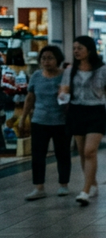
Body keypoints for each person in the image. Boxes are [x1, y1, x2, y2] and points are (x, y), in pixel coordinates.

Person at [60, 36, 106, 206]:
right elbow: (64, 89)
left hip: (96, 111)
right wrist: (62, 94)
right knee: (82, 152)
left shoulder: (103, 69)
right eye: (74, 48)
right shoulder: (70, 70)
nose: (76, 51)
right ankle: (92, 182)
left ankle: (85, 190)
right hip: (76, 111)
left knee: (89, 151)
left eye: (80, 48)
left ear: (89, 49)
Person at [20, 45, 71, 200]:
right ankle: (39, 187)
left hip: (61, 121)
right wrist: (23, 118)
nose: (46, 61)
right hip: (39, 121)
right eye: (43, 58)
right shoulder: (36, 76)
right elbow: (30, 98)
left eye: (50, 58)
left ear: (58, 60)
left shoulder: (65, 76)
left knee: (62, 154)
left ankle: (63, 185)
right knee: (38, 155)